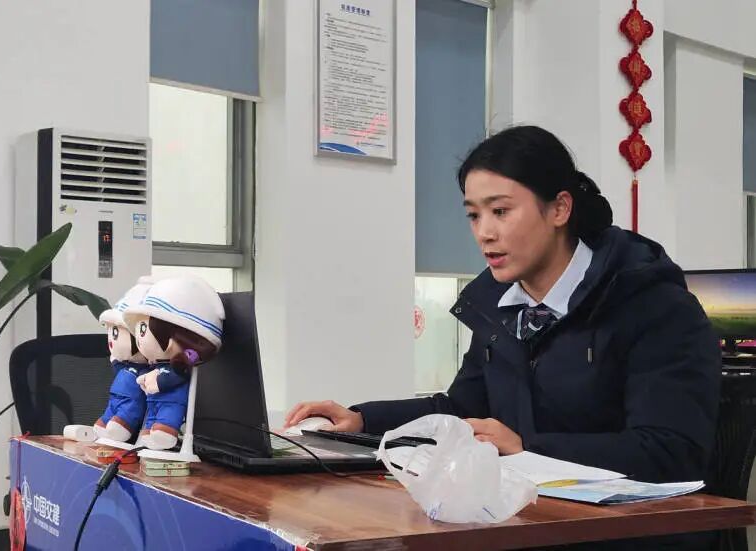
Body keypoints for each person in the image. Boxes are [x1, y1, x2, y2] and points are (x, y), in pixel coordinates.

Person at [285, 126, 720, 549]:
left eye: (501, 211)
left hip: (629, 536)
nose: (484, 233)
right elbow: (462, 410)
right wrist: (362, 420)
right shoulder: (501, 308)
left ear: (559, 209)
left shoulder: (652, 305)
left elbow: (671, 451)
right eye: (474, 215)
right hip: (527, 523)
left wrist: (527, 448)